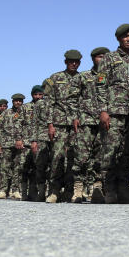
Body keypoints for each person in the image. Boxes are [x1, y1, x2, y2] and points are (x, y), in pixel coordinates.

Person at [96, 24, 129, 203]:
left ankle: (124, 188)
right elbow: (100, 86)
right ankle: (109, 189)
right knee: (111, 150)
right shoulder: (109, 58)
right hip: (114, 111)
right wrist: (103, 110)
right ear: (119, 39)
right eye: (126, 36)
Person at [41, 49, 85, 202]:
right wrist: (50, 125)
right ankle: (54, 190)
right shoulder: (55, 78)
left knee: (74, 157)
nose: (74, 64)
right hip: (59, 123)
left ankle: (71, 190)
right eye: (71, 61)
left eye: (77, 62)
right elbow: (48, 103)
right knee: (57, 157)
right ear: (65, 62)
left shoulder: (83, 78)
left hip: (77, 124)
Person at [73, 47, 109, 202]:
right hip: (86, 120)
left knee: (100, 156)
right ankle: (78, 189)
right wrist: (75, 117)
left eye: (104, 57)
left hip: (104, 121)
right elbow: (73, 99)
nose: (101, 59)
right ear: (93, 59)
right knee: (81, 156)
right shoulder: (83, 77)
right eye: (98, 57)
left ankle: (97, 187)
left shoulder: (110, 76)